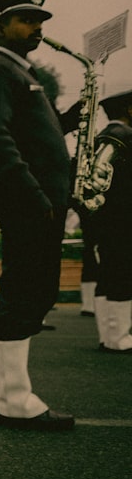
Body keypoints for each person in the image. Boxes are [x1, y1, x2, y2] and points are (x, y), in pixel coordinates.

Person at [0, 0, 78, 430]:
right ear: (0, 26)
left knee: (34, 290)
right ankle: (16, 399)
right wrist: (34, 196)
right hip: (27, 200)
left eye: (39, 21)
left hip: (40, 198)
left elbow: (36, 135)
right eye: (26, 20)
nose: (36, 28)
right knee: (25, 291)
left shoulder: (23, 74)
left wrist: (76, 114)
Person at [90, 88, 132, 353]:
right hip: (124, 217)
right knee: (123, 275)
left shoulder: (100, 138)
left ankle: (108, 335)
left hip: (102, 216)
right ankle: (120, 337)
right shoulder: (127, 136)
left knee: (106, 275)